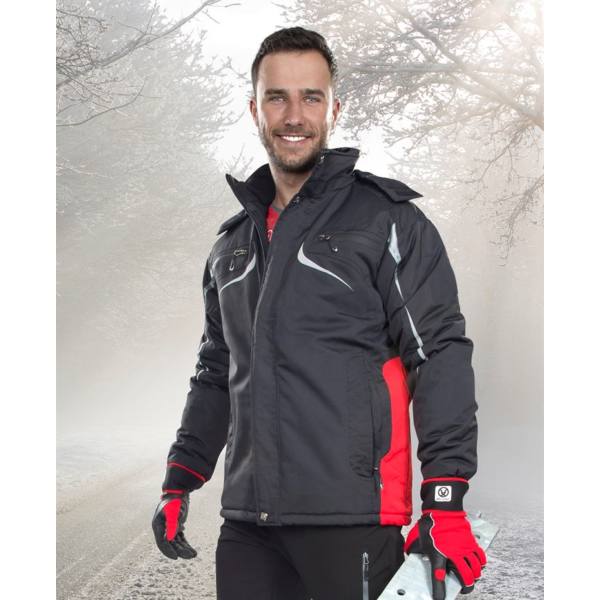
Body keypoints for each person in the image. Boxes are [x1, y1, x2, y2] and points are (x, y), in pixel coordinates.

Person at [152, 27, 487, 600]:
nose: (294, 115)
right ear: (255, 110)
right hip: (249, 527)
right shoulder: (231, 246)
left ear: (334, 108)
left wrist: (446, 497)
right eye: (277, 97)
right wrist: (180, 478)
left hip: (353, 519)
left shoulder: (389, 222)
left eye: (311, 97)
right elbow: (217, 371)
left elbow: (438, 354)